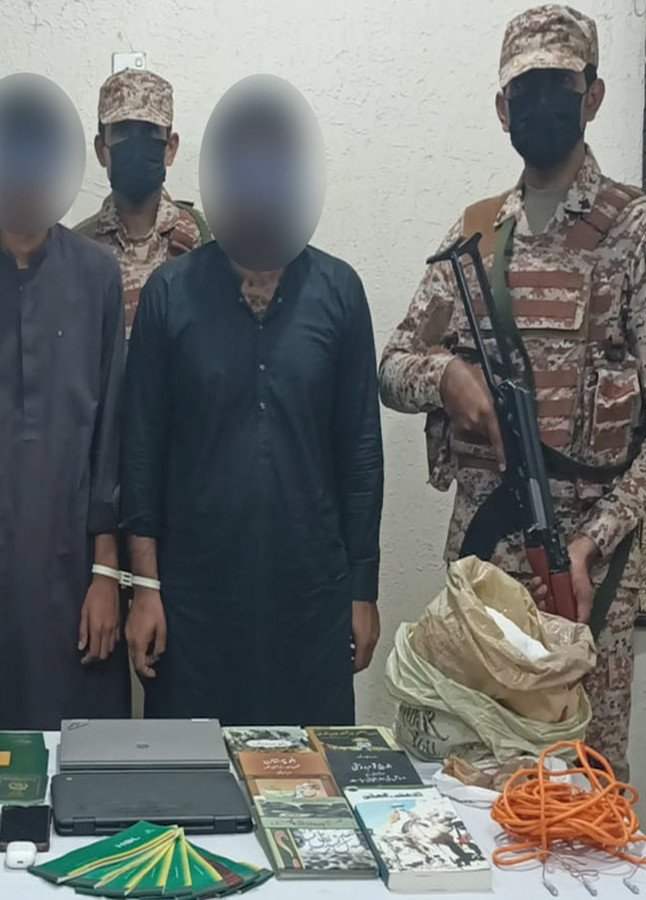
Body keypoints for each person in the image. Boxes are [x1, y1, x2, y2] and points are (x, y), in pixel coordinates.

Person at [379, 5, 646, 779]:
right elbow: (392, 366)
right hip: (484, 571)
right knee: (471, 776)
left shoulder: (637, 235)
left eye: (560, 86)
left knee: (580, 784)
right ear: (501, 107)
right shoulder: (477, 233)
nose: (542, 104)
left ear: (593, 96)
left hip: (583, 580)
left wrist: (593, 542)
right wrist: (446, 377)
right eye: (526, 90)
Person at [122, 77, 384, 726]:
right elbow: (142, 453)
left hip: (312, 602)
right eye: (245, 161)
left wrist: (363, 590)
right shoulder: (170, 294)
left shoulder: (339, 293)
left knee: (312, 777)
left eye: (275, 162)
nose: (259, 177)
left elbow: (360, 452)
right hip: (194, 604)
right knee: (194, 779)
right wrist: (145, 589)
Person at [0, 75, 130, 729]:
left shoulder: (96, 276)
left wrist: (107, 576)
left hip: (76, 570)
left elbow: (111, 441)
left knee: (81, 754)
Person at [75, 68, 210, 334]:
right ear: (101, 149)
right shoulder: (77, 252)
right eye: (123, 132)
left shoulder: (204, 241)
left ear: (170, 148)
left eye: (150, 132)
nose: (136, 145)